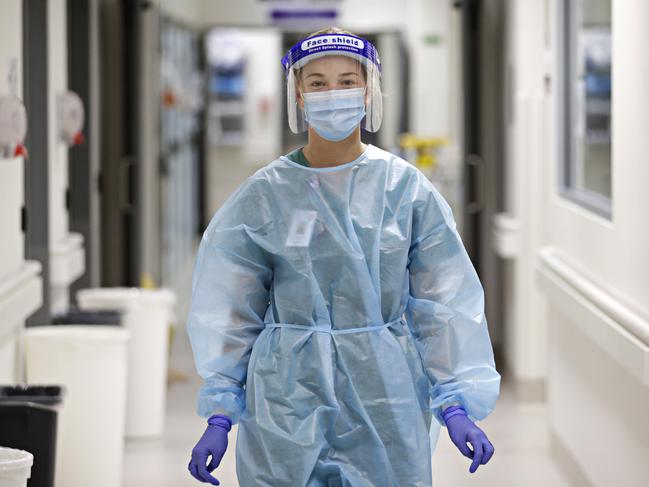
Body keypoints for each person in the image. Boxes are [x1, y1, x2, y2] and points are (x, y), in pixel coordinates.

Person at [187, 27, 500, 486]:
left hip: (384, 399)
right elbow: (232, 314)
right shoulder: (264, 196)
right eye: (317, 83)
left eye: (347, 81)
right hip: (285, 402)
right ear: (298, 92)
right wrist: (219, 412)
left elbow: (444, 306)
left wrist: (454, 402)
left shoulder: (406, 191)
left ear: (369, 91)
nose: (332, 94)